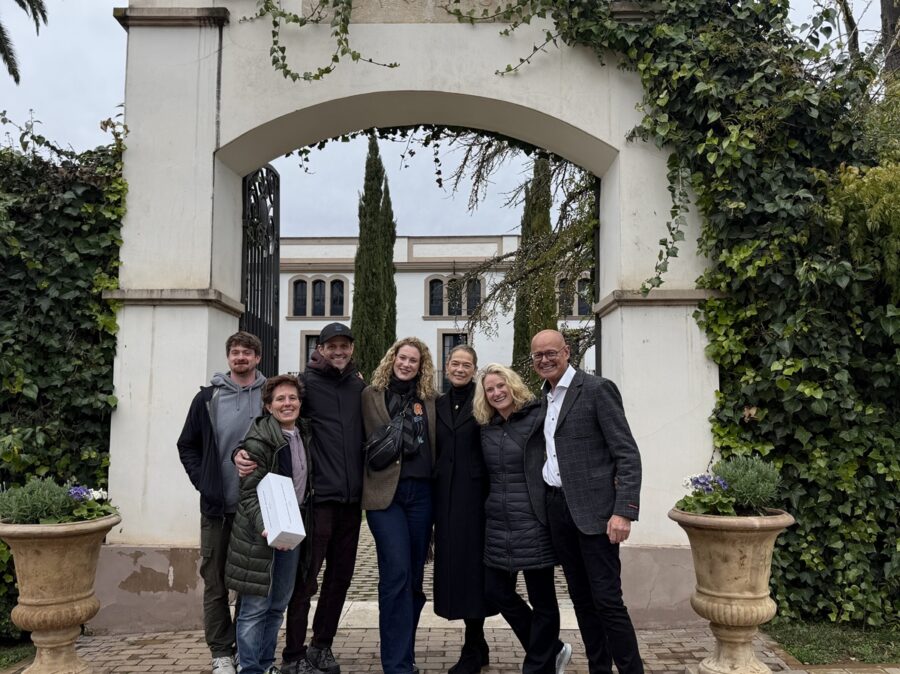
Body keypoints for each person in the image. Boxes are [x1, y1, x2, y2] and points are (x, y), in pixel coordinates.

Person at [237, 322, 365, 674]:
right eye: (331, 346)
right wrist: (241, 450)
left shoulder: (358, 385)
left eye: (344, 345)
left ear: (351, 349)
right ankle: (293, 653)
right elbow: (274, 421)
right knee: (305, 581)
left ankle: (322, 645)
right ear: (320, 349)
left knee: (340, 578)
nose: (338, 351)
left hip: (352, 502)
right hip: (317, 501)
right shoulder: (305, 386)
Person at [530, 329, 644, 674]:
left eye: (551, 352)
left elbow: (627, 454)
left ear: (567, 352)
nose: (545, 360)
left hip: (596, 514)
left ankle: (631, 670)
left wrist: (623, 511)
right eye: (538, 355)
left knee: (607, 601)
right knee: (580, 599)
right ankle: (599, 668)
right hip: (557, 510)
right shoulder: (543, 398)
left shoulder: (596, 389)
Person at [473, 363, 572, 674]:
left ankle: (538, 666)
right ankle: (551, 649)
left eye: (501, 385)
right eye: (490, 389)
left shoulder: (538, 416)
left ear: (512, 385)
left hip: (534, 520)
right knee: (494, 591)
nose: (496, 393)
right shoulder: (486, 428)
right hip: (498, 523)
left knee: (542, 599)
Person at [177, 331, 266, 674]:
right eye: (235, 352)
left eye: (247, 352)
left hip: (256, 510)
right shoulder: (207, 398)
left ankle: (246, 648)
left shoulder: (269, 395)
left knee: (249, 584)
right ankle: (221, 652)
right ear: (228, 357)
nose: (241, 357)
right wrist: (205, 482)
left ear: (257, 358)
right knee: (215, 583)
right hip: (218, 508)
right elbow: (187, 445)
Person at [225, 375, 313, 674]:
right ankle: (249, 668)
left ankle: (265, 664)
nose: (287, 403)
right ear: (268, 406)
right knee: (254, 607)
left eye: (292, 398)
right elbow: (249, 494)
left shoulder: (304, 434)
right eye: (280, 399)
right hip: (258, 535)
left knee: (277, 605)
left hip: (291, 530)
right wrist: (266, 526)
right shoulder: (259, 441)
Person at [361, 337, 437, 674]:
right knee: (396, 574)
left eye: (413, 361)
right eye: (402, 358)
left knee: (414, 580)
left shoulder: (430, 400)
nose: (406, 364)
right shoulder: (369, 395)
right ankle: (396, 664)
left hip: (422, 496)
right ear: (392, 359)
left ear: (421, 367)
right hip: (384, 497)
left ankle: (404, 653)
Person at [433, 345, 496, 674]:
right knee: (454, 570)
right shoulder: (436, 403)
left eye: (466, 365)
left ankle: (473, 646)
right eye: (455, 363)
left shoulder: (483, 401)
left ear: (474, 370)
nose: (459, 369)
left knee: (474, 572)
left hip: (476, 499)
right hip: (444, 499)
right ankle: (479, 644)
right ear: (447, 366)